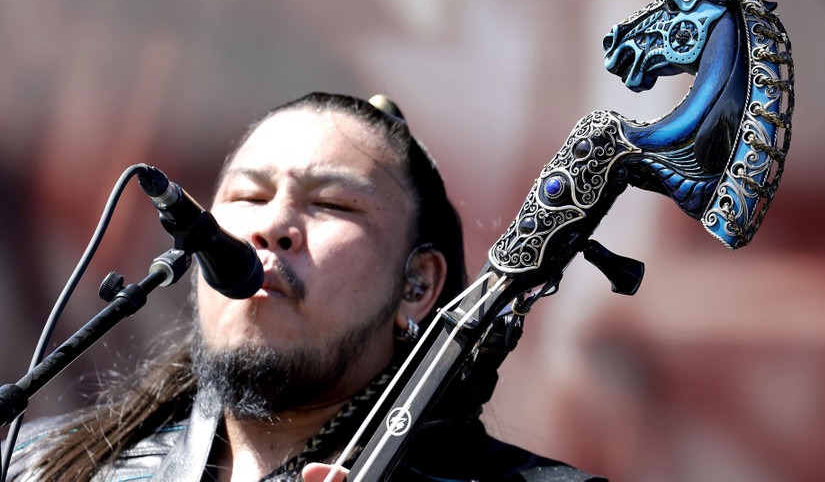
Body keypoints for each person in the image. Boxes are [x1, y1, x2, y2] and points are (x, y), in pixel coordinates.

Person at [3, 92, 605, 481]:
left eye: (331, 204)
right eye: (248, 197)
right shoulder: (36, 465)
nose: (272, 226)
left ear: (417, 286)